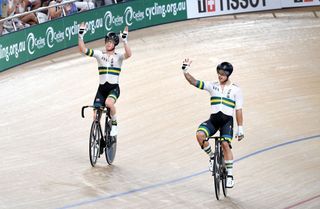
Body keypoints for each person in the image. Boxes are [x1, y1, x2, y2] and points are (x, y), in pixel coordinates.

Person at [181, 58, 244, 188]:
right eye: (219, 73)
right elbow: (194, 82)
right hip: (214, 121)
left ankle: (230, 176)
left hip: (227, 122)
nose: (220, 76)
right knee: (199, 135)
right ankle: (211, 157)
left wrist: (240, 128)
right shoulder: (212, 85)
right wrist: (185, 71)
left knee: (225, 144)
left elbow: (238, 110)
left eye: (223, 74)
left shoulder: (236, 90)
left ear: (228, 75)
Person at [78, 22, 132, 145]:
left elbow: (129, 54)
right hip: (102, 89)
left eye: (111, 42)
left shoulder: (118, 57)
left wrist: (125, 41)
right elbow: (83, 50)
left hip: (114, 88)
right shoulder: (99, 54)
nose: (108, 43)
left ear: (115, 44)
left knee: (108, 103)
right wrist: (80, 36)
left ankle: (114, 123)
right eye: (107, 41)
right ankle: (99, 137)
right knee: (96, 115)